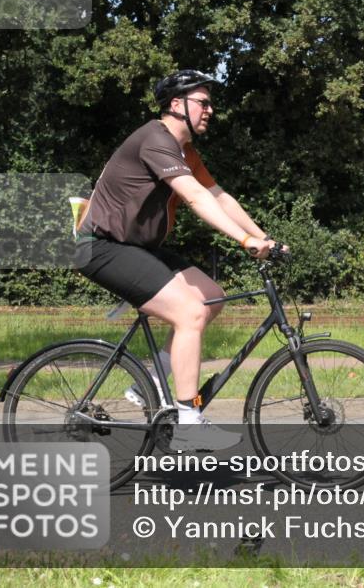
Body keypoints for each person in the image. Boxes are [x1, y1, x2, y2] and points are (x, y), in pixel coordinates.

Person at [74, 69, 286, 451]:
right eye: (203, 103)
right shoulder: (156, 139)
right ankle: (189, 419)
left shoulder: (184, 150)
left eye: (210, 104)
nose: (210, 110)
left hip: (136, 246)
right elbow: (194, 197)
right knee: (189, 313)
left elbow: (220, 197)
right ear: (176, 105)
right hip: (102, 246)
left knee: (211, 296)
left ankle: (151, 383)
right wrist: (243, 240)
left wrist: (263, 237)